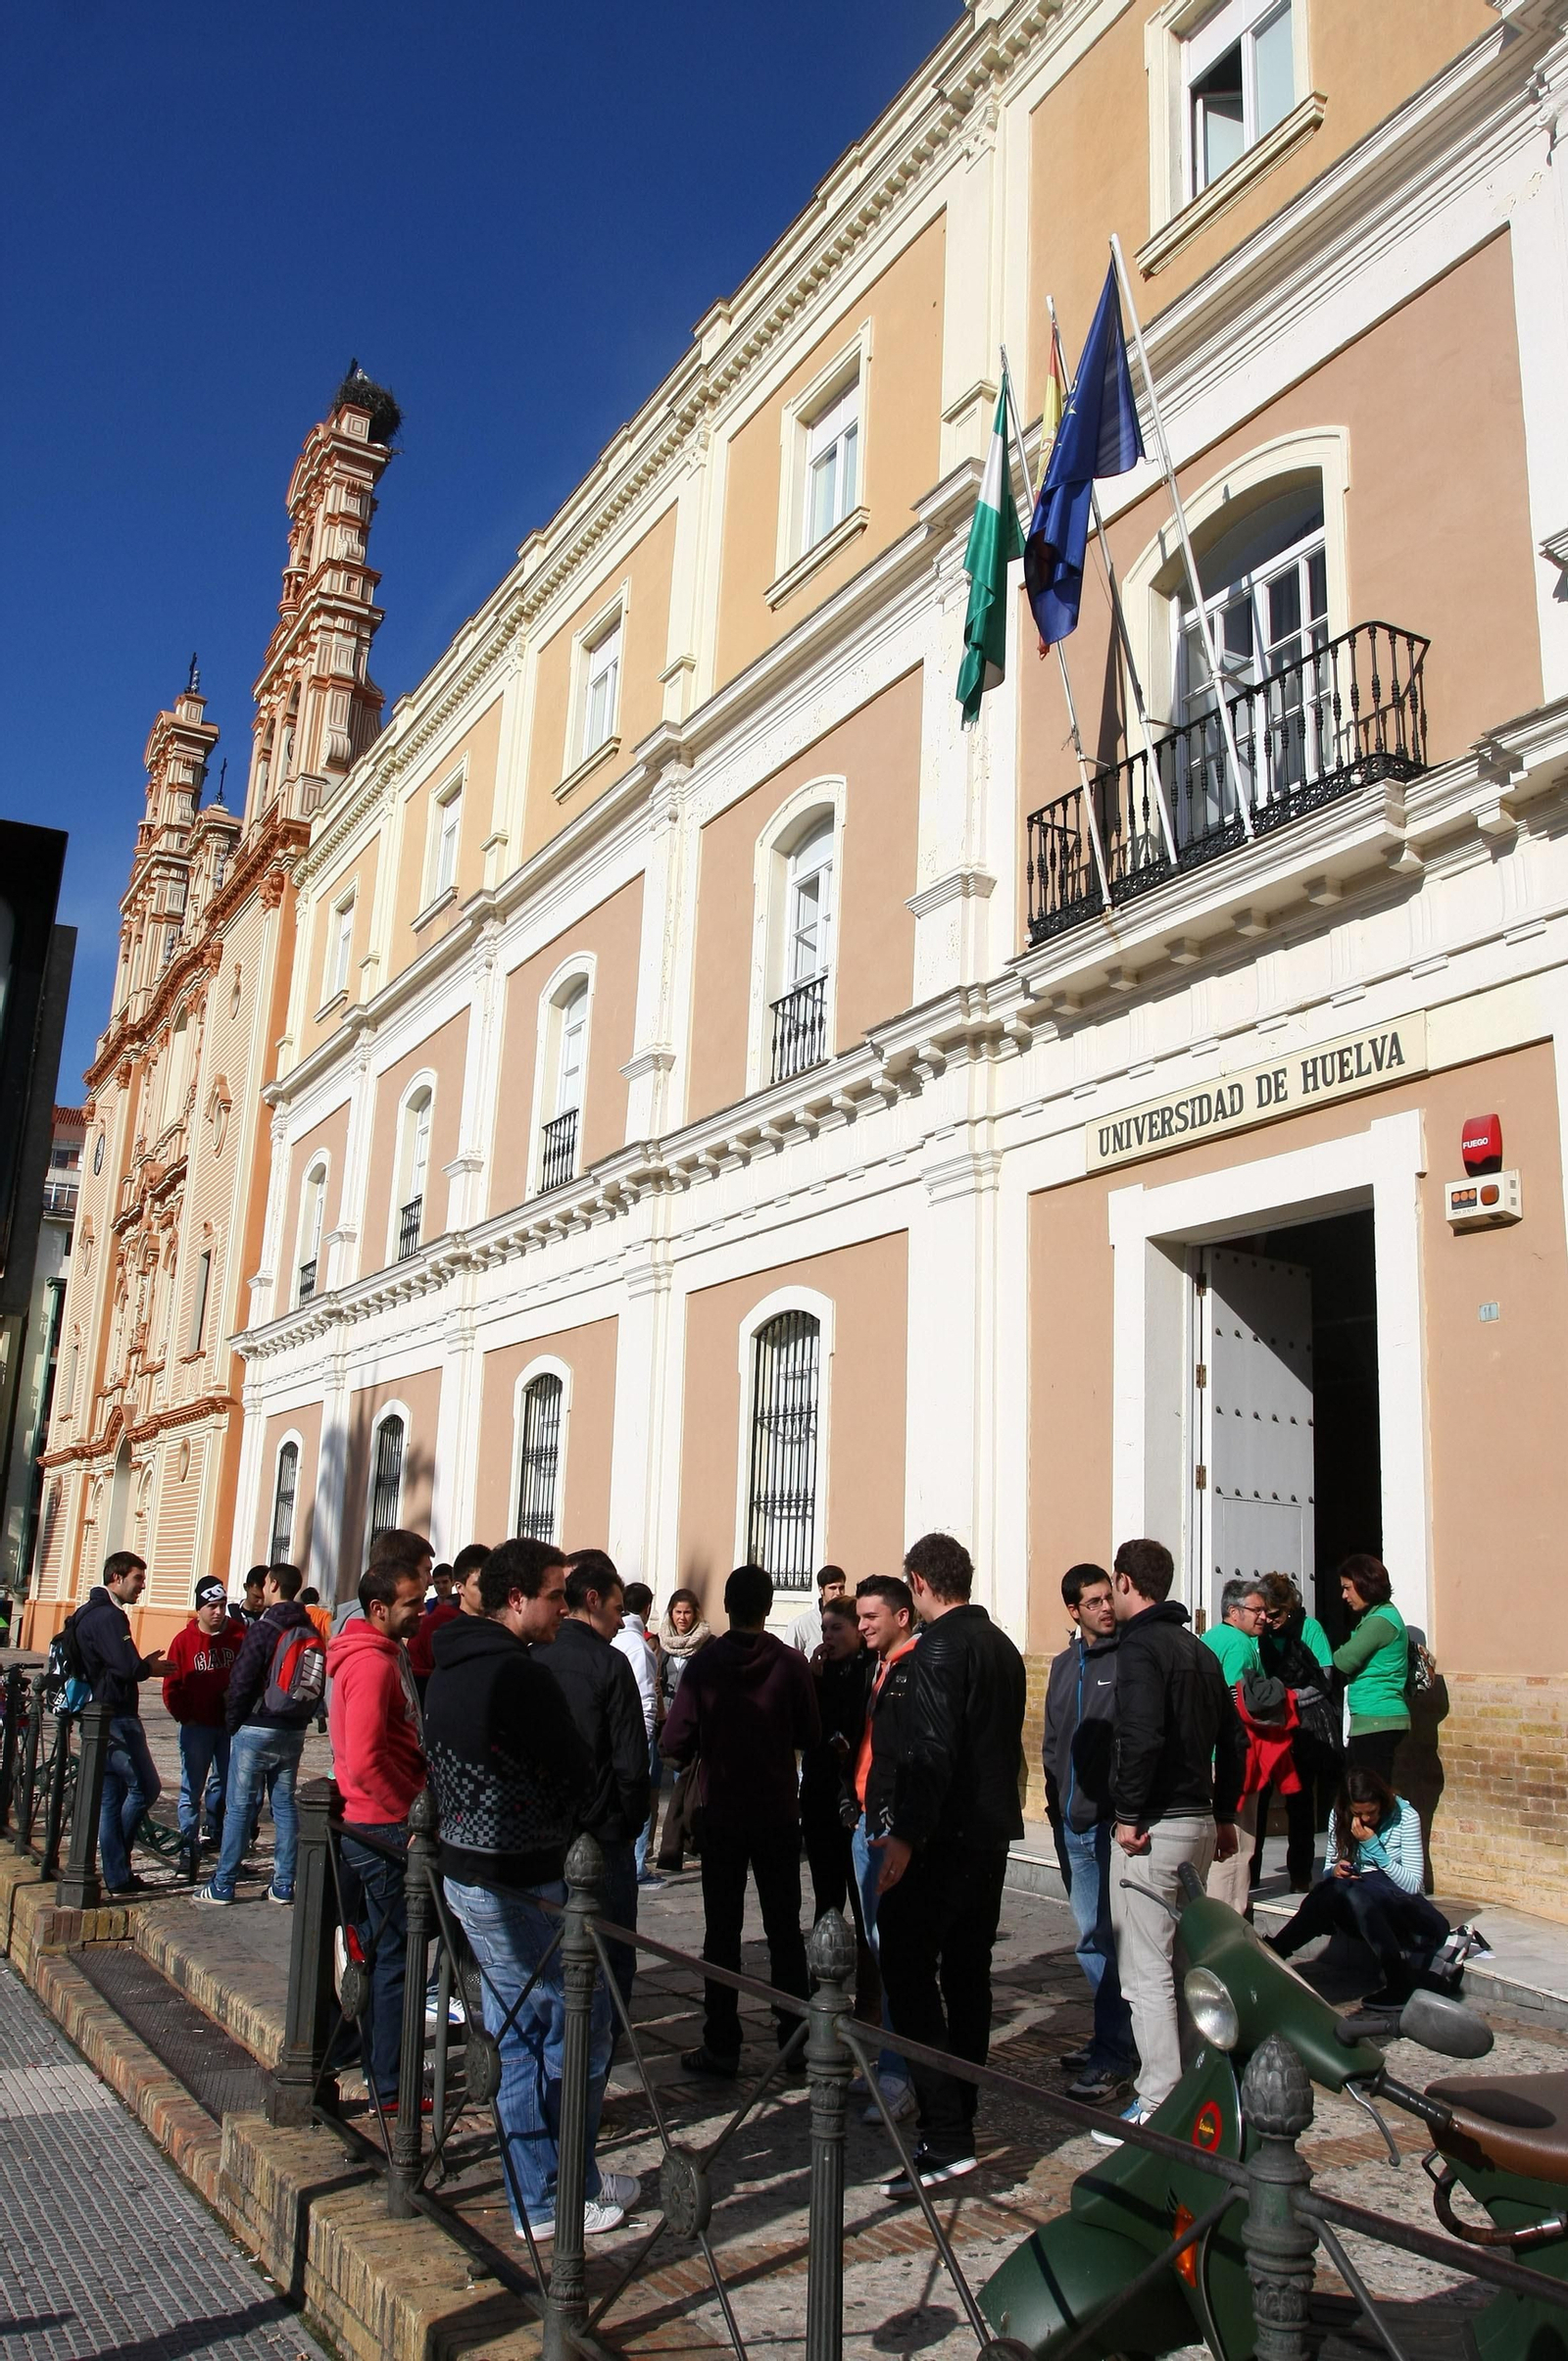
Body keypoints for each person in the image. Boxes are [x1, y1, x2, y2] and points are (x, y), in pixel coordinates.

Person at [425, 1538, 638, 2240]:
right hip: (516, 1879)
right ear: (516, 1598)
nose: (562, 1606)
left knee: (522, 2029)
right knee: (572, 2027)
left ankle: (558, 2181)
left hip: (469, 1870)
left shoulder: (450, 1661)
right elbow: (577, 1773)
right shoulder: (517, 1677)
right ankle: (548, 2195)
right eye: (553, 1593)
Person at [872, 1533, 1026, 2199]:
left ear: (919, 1583)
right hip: (988, 1836)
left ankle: (946, 2131)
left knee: (906, 1971)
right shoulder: (1003, 1645)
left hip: (943, 1839)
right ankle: (958, 2119)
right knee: (968, 1977)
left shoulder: (939, 1646)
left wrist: (906, 1835)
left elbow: (932, 1750)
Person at [1103, 1539, 1248, 2141]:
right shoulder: (1199, 1649)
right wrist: (1223, 1814)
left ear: (1125, 1581)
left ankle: (1159, 2097)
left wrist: (1130, 1812)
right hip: (1195, 1821)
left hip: (1155, 1825)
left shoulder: (1140, 1649)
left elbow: (1141, 1734)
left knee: (1146, 1968)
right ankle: (1194, 2083)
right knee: (1184, 1960)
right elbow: (1235, 1741)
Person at [661, 1562, 819, 2079]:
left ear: (727, 1607)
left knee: (721, 1930)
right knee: (784, 1929)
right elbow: (810, 1734)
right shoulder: (792, 1664)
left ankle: (721, 2041)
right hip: (776, 1810)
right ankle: (793, 2039)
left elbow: (675, 1742)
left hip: (722, 1810)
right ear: (769, 1607)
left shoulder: (705, 1667)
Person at [327, 1560, 427, 2113]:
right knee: (396, 1960)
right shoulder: (371, 1666)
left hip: (373, 1823)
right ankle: (391, 2086)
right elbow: (365, 1760)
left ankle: (382, 2069)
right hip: (382, 1828)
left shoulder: (378, 1657)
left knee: (381, 1954)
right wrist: (407, 1815)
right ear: (379, 1608)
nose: (422, 1611)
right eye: (412, 1603)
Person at [532, 1550, 650, 2024]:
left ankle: (562, 2029)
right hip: (601, 1831)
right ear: (593, 1600)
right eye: (618, 1610)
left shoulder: (534, 1654)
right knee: (613, 1944)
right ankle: (601, 2034)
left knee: (550, 1941)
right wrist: (629, 1821)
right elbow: (630, 1758)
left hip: (544, 1829)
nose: (621, 1621)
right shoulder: (609, 1663)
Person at [1040, 1564, 1135, 2106]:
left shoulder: (1125, 1663)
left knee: (1112, 1938)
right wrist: (1056, 1805)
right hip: (1069, 1823)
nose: (1105, 1608)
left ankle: (1116, 2053)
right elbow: (1054, 1739)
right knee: (1090, 1937)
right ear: (1073, 1610)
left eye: (1108, 1598)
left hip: (1108, 1823)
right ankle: (1109, 2034)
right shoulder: (1061, 1665)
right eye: (1092, 1602)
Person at [1266, 1767, 1449, 2008]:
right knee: (1334, 1890)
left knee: (1351, 1893)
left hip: (1400, 1907)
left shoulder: (1406, 1817)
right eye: (1358, 1814)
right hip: (1357, 1904)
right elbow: (1329, 1868)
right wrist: (1334, 1870)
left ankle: (1399, 1982)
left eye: (1371, 1813)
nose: (1364, 1820)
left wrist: (1373, 1846)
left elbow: (1413, 1886)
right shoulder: (1339, 1815)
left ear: (1382, 1803)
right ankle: (1274, 1953)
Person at [193, 1563, 321, 1906]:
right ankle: (284, 1883)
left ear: (274, 1584)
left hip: (258, 1725)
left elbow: (242, 1678)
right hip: (293, 1728)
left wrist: (233, 1722)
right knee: (284, 1804)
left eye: (266, 1583)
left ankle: (223, 1883)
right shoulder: (310, 1626)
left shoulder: (265, 1628)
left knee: (239, 1806)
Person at [851, 1573, 920, 2124]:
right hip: (866, 1823)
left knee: (898, 1950)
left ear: (902, 1615)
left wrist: (893, 1825)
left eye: (871, 1616)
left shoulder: (916, 1668)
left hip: (888, 1828)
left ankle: (901, 2073)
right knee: (879, 1946)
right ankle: (891, 2059)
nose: (862, 1625)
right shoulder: (878, 1667)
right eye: (859, 1616)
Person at [74, 1550, 171, 1899]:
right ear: (116, 1578)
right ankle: (117, 1860)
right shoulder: (110, 1618)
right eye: (137, 1579)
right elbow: (126, 1666)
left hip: (101, 1714)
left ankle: (117, 1875)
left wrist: (137, 1665)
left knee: (111, 1799)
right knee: (145, 1786)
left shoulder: (88, 1611)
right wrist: (147, 1668)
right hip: (115, 1716)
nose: (141, 1587)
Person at [162, 1576, 247, 1881]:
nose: (218, 1612)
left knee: (227, 1787)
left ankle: (224, 1844)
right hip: (197, 1727)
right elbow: (171, 1686)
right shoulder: (183, 1642)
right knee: (190, 1788)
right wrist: (185, 1715)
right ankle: (188, 1846)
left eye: (222, 1605)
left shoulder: (238, 1635)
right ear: (199, 1608)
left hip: (228, 1726)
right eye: (212, 1606)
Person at [1257, 1571, 1337, 1893]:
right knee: (1258, 1801)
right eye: (1263, 1613)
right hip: (1268, 1727)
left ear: (1289, 1608)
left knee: (1300, 1801)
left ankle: (1300, 1875)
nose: (1268, 1620)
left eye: (1274, 1614)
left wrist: (1288, 1699)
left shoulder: (1310, 1628)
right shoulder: (1258, 1633)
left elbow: (1325, 1677)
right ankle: (1250, 1875)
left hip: (1304, 1725)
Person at [800, 1595, 868, 1924]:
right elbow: (806, 1732)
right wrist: (813, 1682)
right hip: (820, 1795)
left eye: (837, 1628)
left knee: (862, 1896)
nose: (828, 1636)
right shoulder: (819, 1676)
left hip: (856, 1800)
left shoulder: (870, 1673)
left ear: (858, 1630)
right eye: (825, 1629)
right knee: (827, 1896)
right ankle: (824, 1966)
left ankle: (869, 1968)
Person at [1201, 1578, 1268, 1911]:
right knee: (1237, 1845)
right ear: (1234, 1611)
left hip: (1207, 1754)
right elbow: (1238, 1701)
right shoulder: (1241, 1646)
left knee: (1214, 1839)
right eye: (1256, 1610)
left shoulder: (1208, 1639)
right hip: (1233, 1755)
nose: (1264, 1617)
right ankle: (1228, 1916)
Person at [1333, 1553, 1410, 1785]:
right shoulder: (1375, 1616)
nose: (1344, 1596)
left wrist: (1341, 1652)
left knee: (1369, 1792)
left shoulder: (1381, 1621)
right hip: (1371, 1716)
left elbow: (1344, 1660)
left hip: (1377, 1716)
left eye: (1348, 1587)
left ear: (1364, 1583)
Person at [654, 1589, 710, 1872]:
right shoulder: (662, 1644)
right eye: (678, 1612)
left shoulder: (707, 1645)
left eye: (687, 1612)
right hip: (668, 1722)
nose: (682, 1618)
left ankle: (689, 1839)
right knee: (676, 1785)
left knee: (689, 1786)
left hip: (696, 1725)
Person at [612, 1578, 660, 1885]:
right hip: (635, 1740)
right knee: (641, 1799)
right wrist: (642, 1744)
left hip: (622, 1737)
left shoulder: (617, 1640)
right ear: (647, 1608)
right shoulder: (638, 1647)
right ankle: (638, 1865)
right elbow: (647, 1702)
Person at [408, 1541, 489, 1690]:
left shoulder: (501, 1623)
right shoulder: (432, 1625)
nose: (487, 1590)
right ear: (459, 1587)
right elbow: (415, 1674)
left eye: (491, 1583)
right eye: (479, 1584)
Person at [786, 1564, 848, 1656]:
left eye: (841, 1588)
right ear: (821, 1590)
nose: (838, 1593)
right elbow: (788, 1660)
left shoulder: (851, 1621)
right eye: (832, 1588)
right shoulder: (801, 1624)